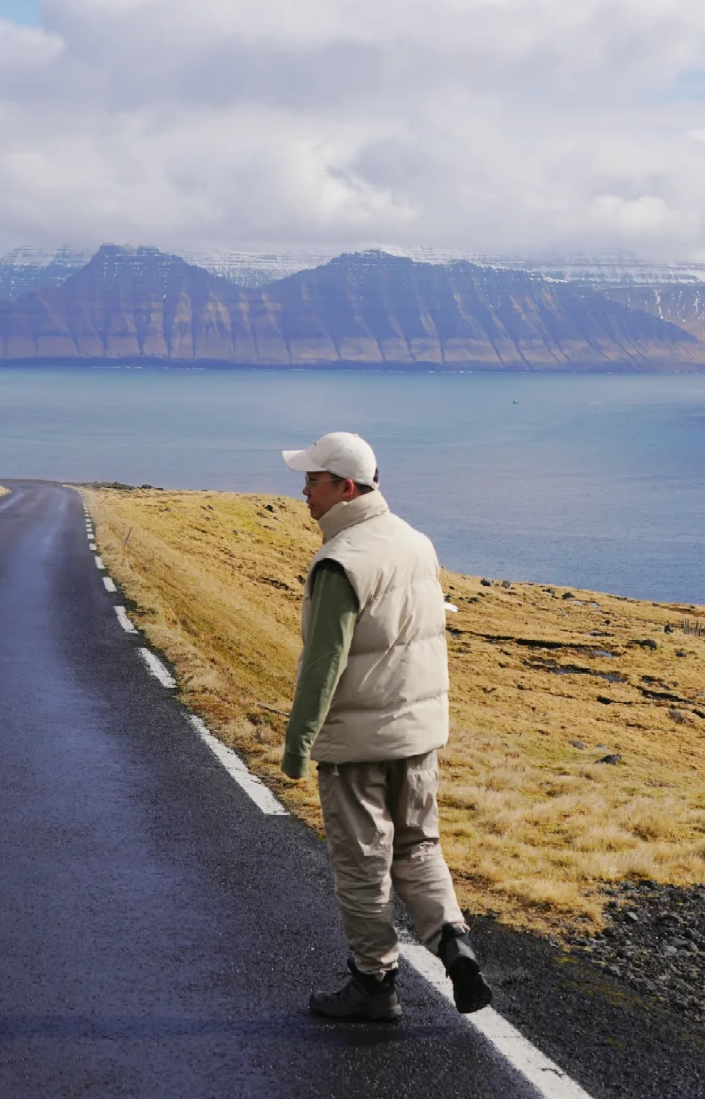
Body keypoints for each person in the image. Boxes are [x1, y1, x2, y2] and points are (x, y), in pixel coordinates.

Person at [279, 431, 492, 1023]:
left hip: (357, 745)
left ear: (345, 487)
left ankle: (374, 985)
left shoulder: (339, 561)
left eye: (313, 482)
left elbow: (325, 663)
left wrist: (298, 747)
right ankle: (454, 943)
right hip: (418, 735)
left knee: (363, 862)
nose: (303, 492)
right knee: (420, 845)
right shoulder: (415, 543)